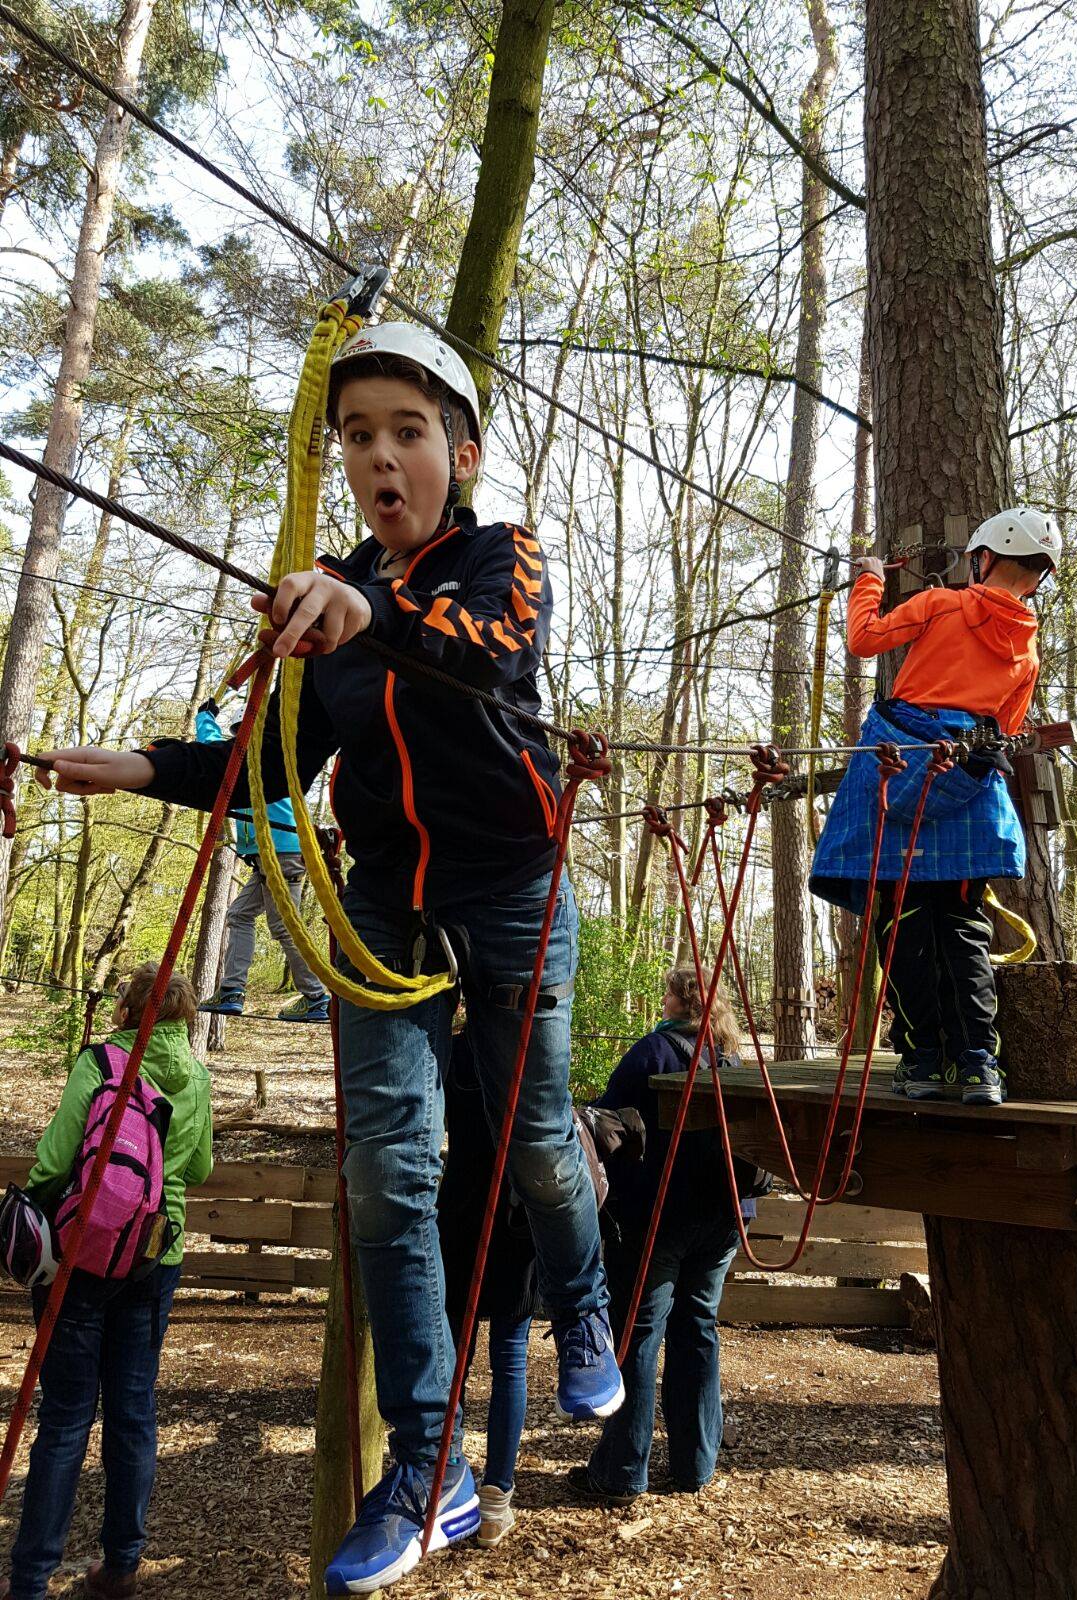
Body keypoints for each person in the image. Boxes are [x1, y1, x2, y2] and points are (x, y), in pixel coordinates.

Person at [36, 321, 620, 1590]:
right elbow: (270, 759)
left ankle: (582, 1290)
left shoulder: (497, 561)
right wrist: (131, 767)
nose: (380, 458)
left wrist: (364, 607)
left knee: (529, 1139)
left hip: (515, 885)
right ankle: (427, 1466)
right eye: (358, 437)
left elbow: (485, 649)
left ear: (458, 455)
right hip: (389, 904)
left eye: (407, 433)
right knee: (384, 1176)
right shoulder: (332, 601)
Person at [810, 507, 1061, 1107]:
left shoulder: (944, 604)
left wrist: (868, 578)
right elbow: (1007, 726)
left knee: (903, 923)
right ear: (1037, 575)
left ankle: (922, 1061)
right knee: (965, 926)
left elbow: (864, 638)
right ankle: (978, 1065)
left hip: (902, 758)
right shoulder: (1027, 655)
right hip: (968, 776)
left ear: (987, 557)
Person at [1, 966, 213, 1600]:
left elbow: (56, 1156)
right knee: (132, 1410)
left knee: (66, 1417)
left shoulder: (102, 1062)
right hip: (155, 1255)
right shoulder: (197, 1077)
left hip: (85, 1256)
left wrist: (27, 1214)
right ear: (183, 1014)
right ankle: (122, 1563)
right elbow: (198, 1167)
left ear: (129, 1009)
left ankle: (31, 1579)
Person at [568, 966, 750, 1505]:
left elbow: (606, 1124)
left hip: (659, 1218)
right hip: (721, 1220)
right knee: (697, 1327)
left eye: (668, 990)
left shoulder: (652, 1054)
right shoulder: (731, 1058)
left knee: (640, 1334)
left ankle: (623, 1470)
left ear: (681, 1000)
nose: (662, 998)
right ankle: (695, 1463)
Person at [436, 1030, 537, 1549]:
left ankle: (449, 1481)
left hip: (465, 1210)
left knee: (457, 1354)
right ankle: (492, 1499)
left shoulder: (455, 1049)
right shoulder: (528, 1045)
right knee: (507, 1356)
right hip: (514, 1218)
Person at [194, 699, 329, 1023]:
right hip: (272, 857)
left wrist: (204, 718)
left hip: (281, 854)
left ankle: (316, 997)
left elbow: (213, 749)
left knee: (283, 926)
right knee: (239, 915)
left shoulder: (258, 760)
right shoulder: (264, 761)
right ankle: (232, 991)